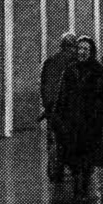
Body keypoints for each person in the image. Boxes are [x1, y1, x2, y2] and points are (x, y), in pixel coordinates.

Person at [53, 36, 103, 203]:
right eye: (79, 48)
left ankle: (83, 186)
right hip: (72, 120)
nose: (82, 52)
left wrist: (101, 116)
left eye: (85, 49)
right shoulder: (70, 70)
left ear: (91, 51)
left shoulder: (99, 71)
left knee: (88, 155)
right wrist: (58, 116)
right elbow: (62, 95)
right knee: (73, 154)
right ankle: (78, 186)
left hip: (91, 120)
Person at [40, 32, 77, 183]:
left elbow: (45, 85)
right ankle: (72, 167)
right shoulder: (76, 62)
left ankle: (55, 169)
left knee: (54, 139)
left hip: (53, 107)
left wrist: (48, 105)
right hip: (70, 108)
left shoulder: (51, 61)